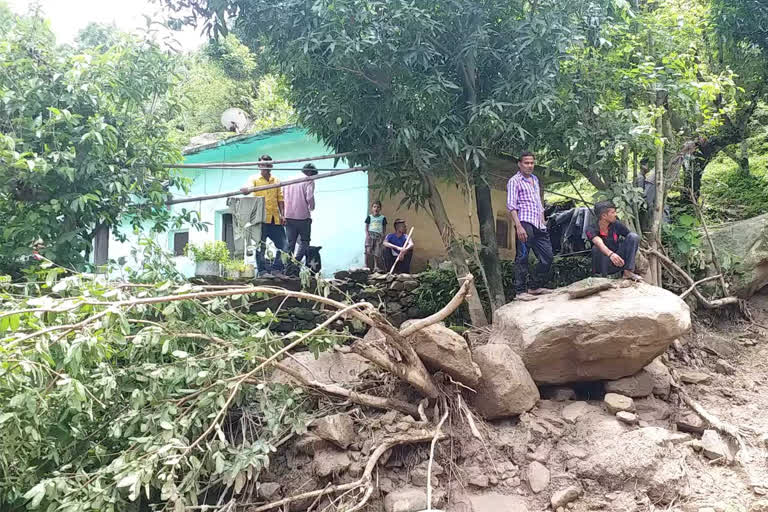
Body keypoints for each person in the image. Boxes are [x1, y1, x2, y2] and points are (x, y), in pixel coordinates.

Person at [507, 151, 553, 300]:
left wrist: (543, 220)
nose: (530, 166)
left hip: (538, 224)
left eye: (532, 163)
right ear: (520, 164)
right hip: (524, 221)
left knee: (548, 257)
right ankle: (520, 292)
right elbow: (511, 205)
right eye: (526, 163)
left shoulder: (535, 179)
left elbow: (538, 203)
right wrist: (518, 226)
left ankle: (534, 287)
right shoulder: (515, 181)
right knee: (523, 256)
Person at [240, 154, 287, 277]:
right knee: (261, 246)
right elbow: (249, 188)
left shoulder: (276, 180)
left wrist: (283, 215)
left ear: (271, 166)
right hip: (260, 218)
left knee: (284, 245)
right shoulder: (254, 179)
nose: (265, 167)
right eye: (262, 164)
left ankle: (277, 269)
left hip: (274, 218)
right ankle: (262, 271)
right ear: (258, 165)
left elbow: (280, 199)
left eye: (267, 164)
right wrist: (246, 190)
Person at [585, 200, 643, 281]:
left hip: (618, 261)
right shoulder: (591, 229)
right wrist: (611, 254)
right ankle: (602, 278)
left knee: (633, 236)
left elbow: (631, 239)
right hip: (603, 264)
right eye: (613, 212)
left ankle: (628, 272)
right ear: (604, 215)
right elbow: (598, 242)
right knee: (597, 248)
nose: (615, 215)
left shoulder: (617, 224)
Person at [284, 163, 317, 274]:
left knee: (290, 243)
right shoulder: (309, 180)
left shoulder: (289, 180)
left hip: (288, 216)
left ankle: (288, 268)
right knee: (305, 241)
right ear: (309, 172)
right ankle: (296, 263)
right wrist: (312, 207)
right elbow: (310, 197)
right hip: (303, 217)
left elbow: (282, 196)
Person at [364, 200, 387, 271]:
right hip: (370, 235)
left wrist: (382, 237)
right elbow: (366, 227)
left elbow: (384, 228)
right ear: (372, 208)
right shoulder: (369, 217)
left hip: (378, 236)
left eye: (378, 207)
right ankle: (366, 265)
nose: (376, 208)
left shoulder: (383, 218)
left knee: (377, 252)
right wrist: (367, 235)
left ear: (380, 208)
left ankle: (376, 266)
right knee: (368, 251)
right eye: (374, 207)